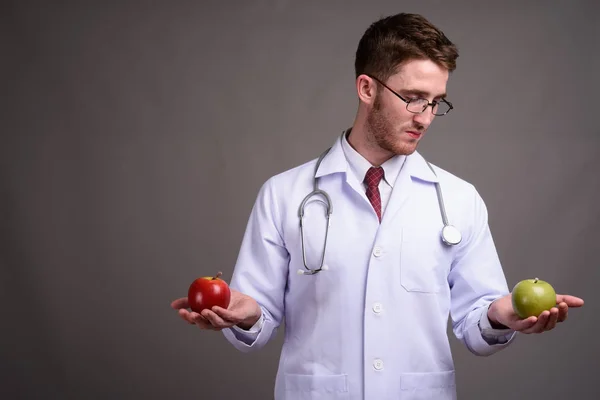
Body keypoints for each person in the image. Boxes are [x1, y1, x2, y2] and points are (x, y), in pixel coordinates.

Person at [171, 12, 584, 399]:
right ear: (367, 88)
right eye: (413, 97)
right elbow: (256, 323)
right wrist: (243, 312)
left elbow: (478, 326)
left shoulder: (459, 199)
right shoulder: (283, 194)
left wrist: (500, 315)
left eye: (437, 101)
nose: (425, 116)